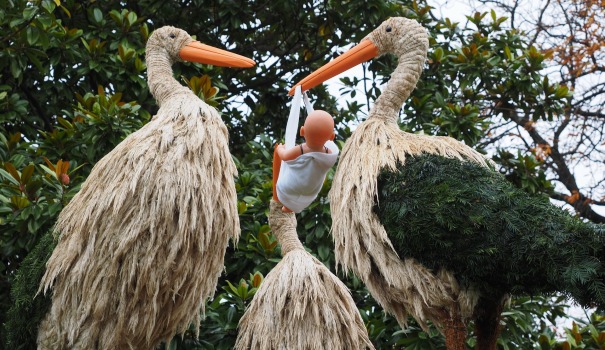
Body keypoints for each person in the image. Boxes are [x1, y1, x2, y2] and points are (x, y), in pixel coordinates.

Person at [272, 110, 339, 213]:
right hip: (311, 189)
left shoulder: (301, 149)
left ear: (302, 131)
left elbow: (285, 157)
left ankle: (288, 206)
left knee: (287, 188)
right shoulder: (328, 153)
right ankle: (290, 208)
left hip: (292, 185)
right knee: (303, 188)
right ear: (331, 137)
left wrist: (280, 149)